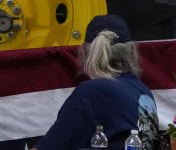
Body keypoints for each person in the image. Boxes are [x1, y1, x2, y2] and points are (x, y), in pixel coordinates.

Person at [32, 14, 159, 150]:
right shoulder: (143, 90)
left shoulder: (91, 92)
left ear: (85, 53)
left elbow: (49, 146)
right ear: (132, 51)